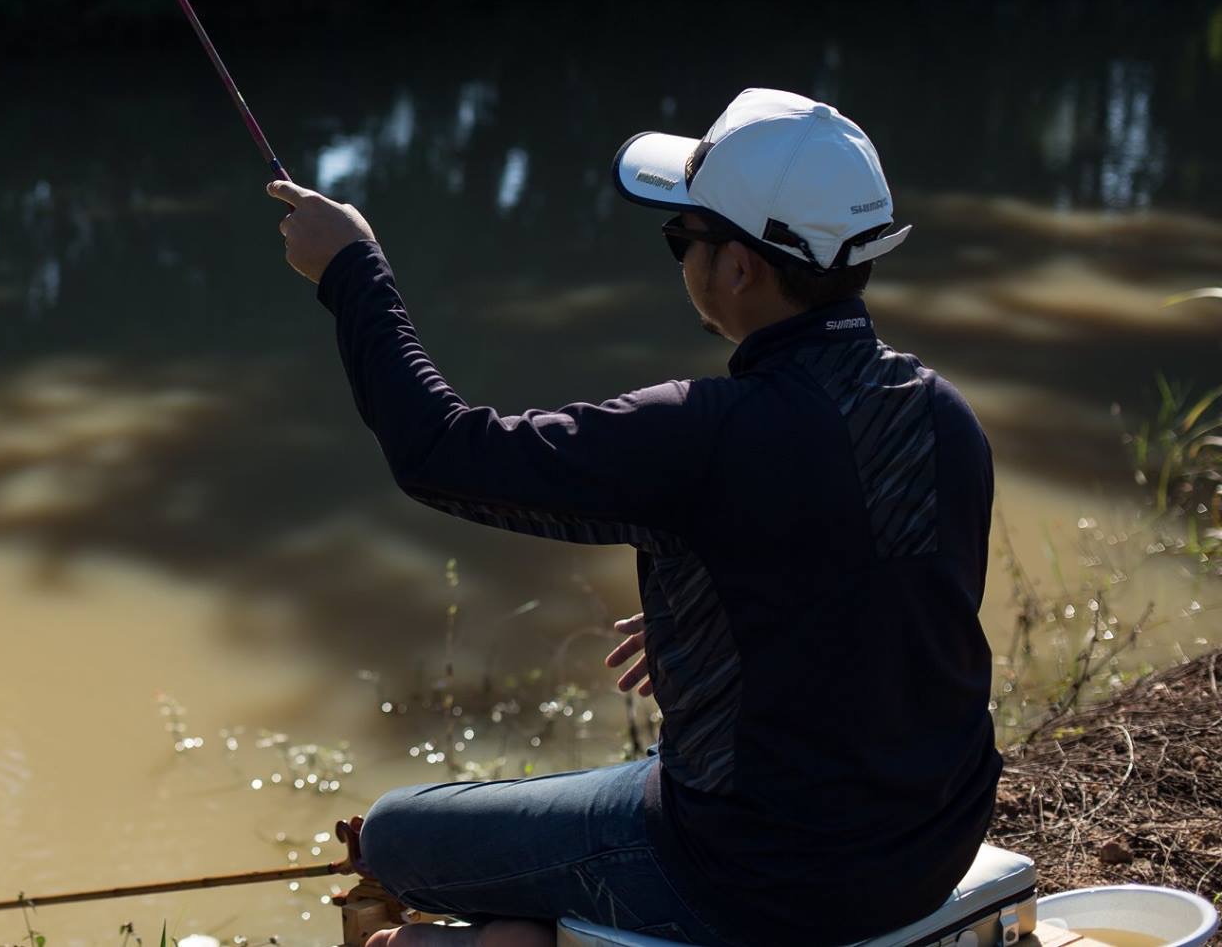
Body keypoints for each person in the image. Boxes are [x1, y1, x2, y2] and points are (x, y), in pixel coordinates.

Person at [267, 89, 1002, 947]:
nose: (678, 257)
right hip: (931, 845)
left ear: (738, 267)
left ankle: (527, 938)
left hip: (749, 875)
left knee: (397, 833)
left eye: (680, 237)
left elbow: (441, 451)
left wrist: (355, 273)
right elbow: (894, 601)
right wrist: (737, 617)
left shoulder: (703, 432)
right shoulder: (945, 413)